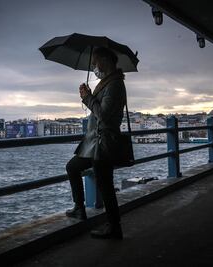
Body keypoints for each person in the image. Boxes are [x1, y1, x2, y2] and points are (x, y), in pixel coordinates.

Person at [65, 47, 126, 240]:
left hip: (103, 143)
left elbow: (105, 116)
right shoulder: (108, 83)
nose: (93, 67)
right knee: (73, 167)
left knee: (105, 185)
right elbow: (99, 109)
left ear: (105, 61)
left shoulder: (114, 85)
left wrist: (88, 98)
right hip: (95, 143)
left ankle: (114, 227)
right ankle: (80, 208)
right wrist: (89, 96)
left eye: (95, 62)